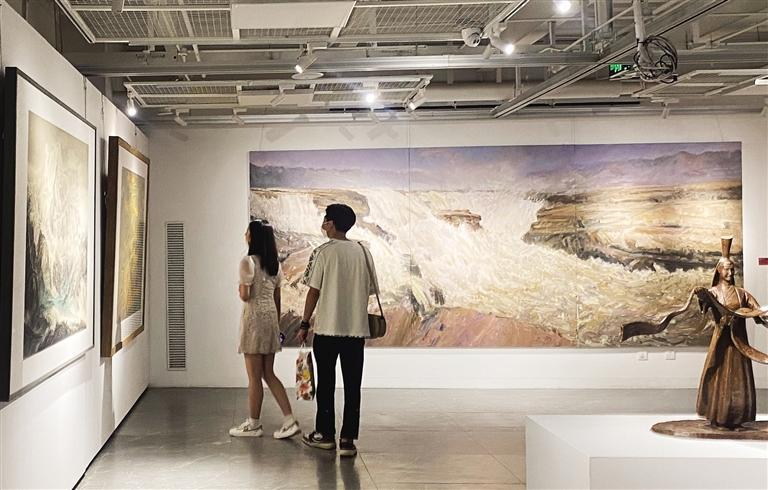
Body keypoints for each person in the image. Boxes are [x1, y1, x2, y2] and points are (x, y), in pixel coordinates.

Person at [622, 236, 768, 430]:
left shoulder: (742, 293)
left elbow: (758, 311)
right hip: (721, 341)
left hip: (739, 342)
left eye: (732, 269)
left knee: (739, 377)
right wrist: (702, 295)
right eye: (726, 269)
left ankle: (737, 418)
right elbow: (705, 307)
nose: (730, 272)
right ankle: (719, 417)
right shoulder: (713, 292)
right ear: (719, 270)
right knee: (718, 375)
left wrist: (763, 315)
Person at [298, 204, 379, 457]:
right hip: (355, 330)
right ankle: (347, 440)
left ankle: (325, 435)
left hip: (327, 329)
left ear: (331, 223)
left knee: (326, 384)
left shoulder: (322, 252)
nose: (323, 223)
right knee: (353, 385)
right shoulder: (364, 252)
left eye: (325, 219)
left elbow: (313, 291)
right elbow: (369, 289)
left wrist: (304, 323)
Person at [230, 220, 300, 439]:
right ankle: (289, 420)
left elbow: (245, 296)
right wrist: (276, 325)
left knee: (254, 377)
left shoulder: (247, 261)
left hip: (254, 320)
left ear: (253, 237)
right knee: (269, 373)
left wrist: (239, 287)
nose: (245, 234)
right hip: (270, 319)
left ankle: (254, 424)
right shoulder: (274, 264)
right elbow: (277, 298)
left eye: (247, 231)